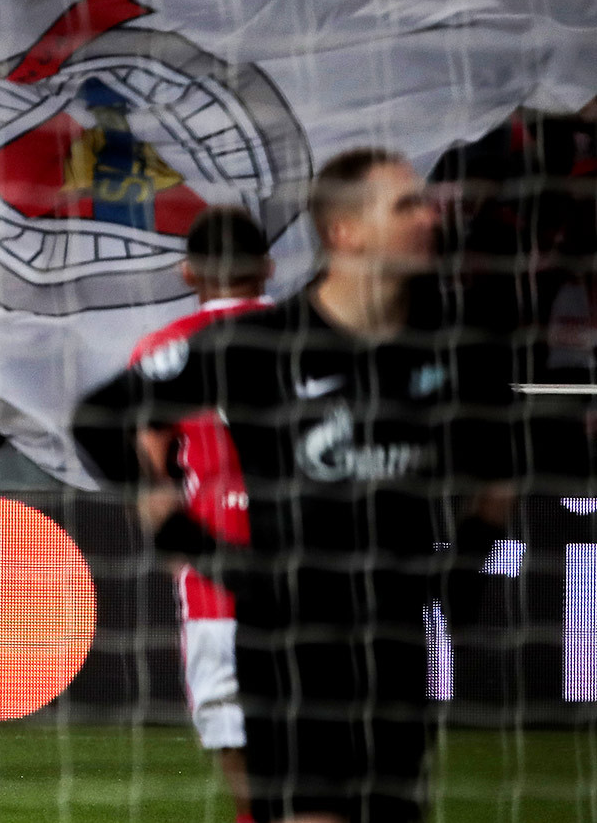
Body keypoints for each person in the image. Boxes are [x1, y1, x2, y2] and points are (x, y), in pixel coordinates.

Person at [75, 147, 516, 823]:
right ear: (346, 231)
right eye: (406, 206)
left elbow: (501, 465)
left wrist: (462, 574)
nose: (429, 218)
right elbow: (103, 420)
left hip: (396, 646)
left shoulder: (459, 345)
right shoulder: (263, 343)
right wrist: (180, 531)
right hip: (287, 640)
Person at [124, 207, 273, 823]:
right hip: (318, 554)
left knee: (227, 712)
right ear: (268, 267)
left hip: (216, 560)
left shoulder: (164, 350)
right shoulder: (314, 332)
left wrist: (173, 545)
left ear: (188, 272)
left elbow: (148, 462)